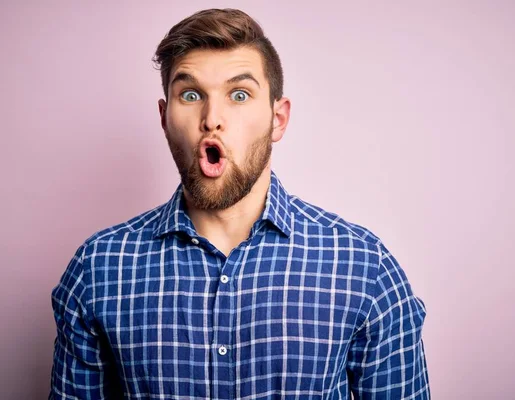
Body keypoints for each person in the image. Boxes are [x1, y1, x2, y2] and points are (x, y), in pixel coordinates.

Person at [49, 8, 430, 399]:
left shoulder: (365, 269)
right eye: (191, 94)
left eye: (239, 94)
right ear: (164, 118)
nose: (212, 118)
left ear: (277, 119)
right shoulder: (98, 270)